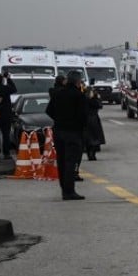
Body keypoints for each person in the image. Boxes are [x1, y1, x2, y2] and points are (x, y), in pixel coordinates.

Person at [45, 71, 88, 200]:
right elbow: (83, 116)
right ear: (78, 81)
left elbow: (49, 110)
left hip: (59, 131)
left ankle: (64, 189)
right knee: (71, 162)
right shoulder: (79, 96)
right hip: (73, 132)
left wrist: (59, 119)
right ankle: (69, 191)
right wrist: (78, 126)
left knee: (62, 161)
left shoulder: (58, 94)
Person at [0, 73, 17, 160]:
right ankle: (6, 153)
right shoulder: (6, 88)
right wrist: (8, 79)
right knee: (6, 135)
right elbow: (14, 89)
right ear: (2, 80)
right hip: (6, 114)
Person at [83, 83, 105, 161]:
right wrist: (96, 98)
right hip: (92, 119)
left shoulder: (84, 98)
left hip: (87, 119)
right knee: (93, 137)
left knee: (90, 137)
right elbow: (99, 105)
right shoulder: (90, 100)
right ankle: (91, 153)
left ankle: (91, 153)